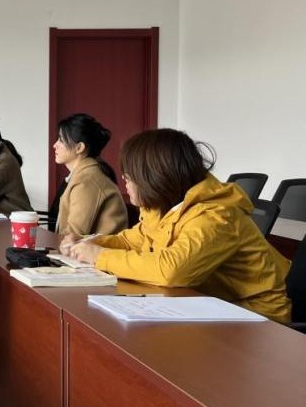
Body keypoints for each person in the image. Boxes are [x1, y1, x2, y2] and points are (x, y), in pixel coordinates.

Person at [62, 128, 291, 322]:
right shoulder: (161, 206)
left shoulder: (215, 214)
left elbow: (171, 270)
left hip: (255, 316)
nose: (125, 180)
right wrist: (88, 244)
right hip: (206, 303)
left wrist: (99, 256)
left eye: (129, 175)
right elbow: (132, 240)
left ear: (155, 176)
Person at [52, 113, 128, 236]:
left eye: (61, 140)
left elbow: (72, 236)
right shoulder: (85, 174)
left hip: (95, 248)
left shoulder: (86, 180)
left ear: (79, 148)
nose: (55, 145)